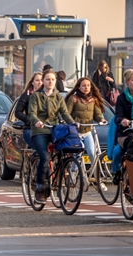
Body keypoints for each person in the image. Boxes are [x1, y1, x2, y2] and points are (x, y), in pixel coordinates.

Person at [28, 69, 77, 204]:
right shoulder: (36, 96)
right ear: (43, 81)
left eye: (53, 79)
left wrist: (73, 123)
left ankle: (61, 176)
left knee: (65, 151)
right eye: (48, 79)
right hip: (39, 131)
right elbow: (31, 113)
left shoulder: (58, 97)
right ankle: (39, 188)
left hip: (54, 130)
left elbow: (65, 113)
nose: (50, 82)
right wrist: (36, 121)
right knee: (44, 157)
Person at [65, 77, 106, 166]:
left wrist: (101, 119)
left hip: (87, 131)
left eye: (88, 85)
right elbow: (66, 114)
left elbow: (97, 115)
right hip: (76, 132)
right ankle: (73, 175)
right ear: (79, 87)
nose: (86, 87)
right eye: (83, 86)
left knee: (92, 153)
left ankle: (96, 177)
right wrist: (73, 122)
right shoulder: (73, 98)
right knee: (76, 155)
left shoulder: (94, 99)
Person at [14, 72, 43, 148]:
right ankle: (36, 158)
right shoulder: (27, 95)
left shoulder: (47, 95)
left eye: (41, 80)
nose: (39, 82)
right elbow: (18, 112)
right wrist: (29, 120)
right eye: (37, 80)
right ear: (32, 82)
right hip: (30, 128)